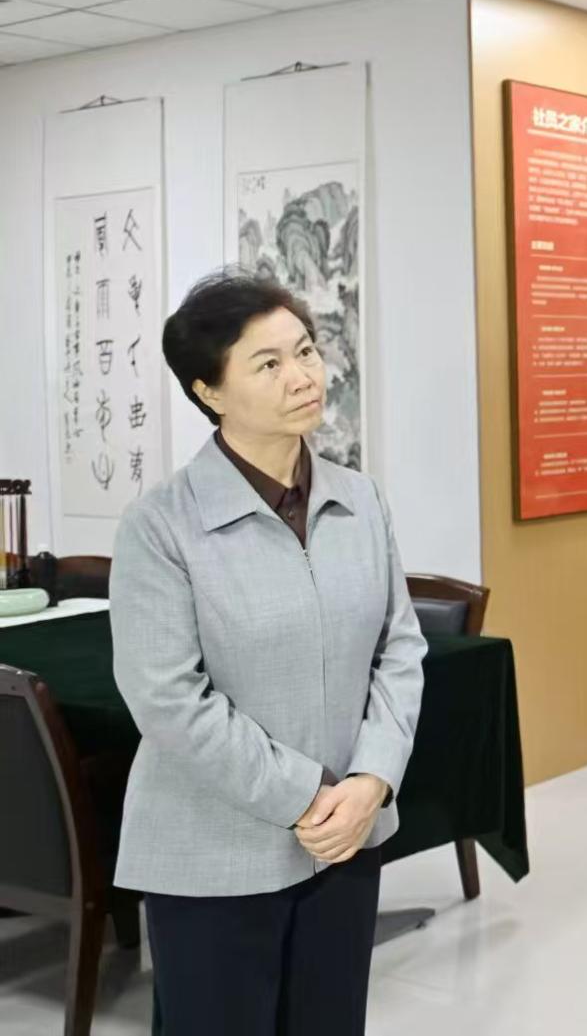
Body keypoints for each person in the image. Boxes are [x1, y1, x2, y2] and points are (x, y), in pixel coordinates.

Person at [109, 270, 426, 1036]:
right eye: (269, 363)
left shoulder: (361, 499)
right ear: (208, 390)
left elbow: (400, 646)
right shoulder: (161, 525)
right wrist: (309, 795)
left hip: (345, 844)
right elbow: (168, 699)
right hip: (212, 858)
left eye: (306, 350)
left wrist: (372, 780)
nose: (303, 375)